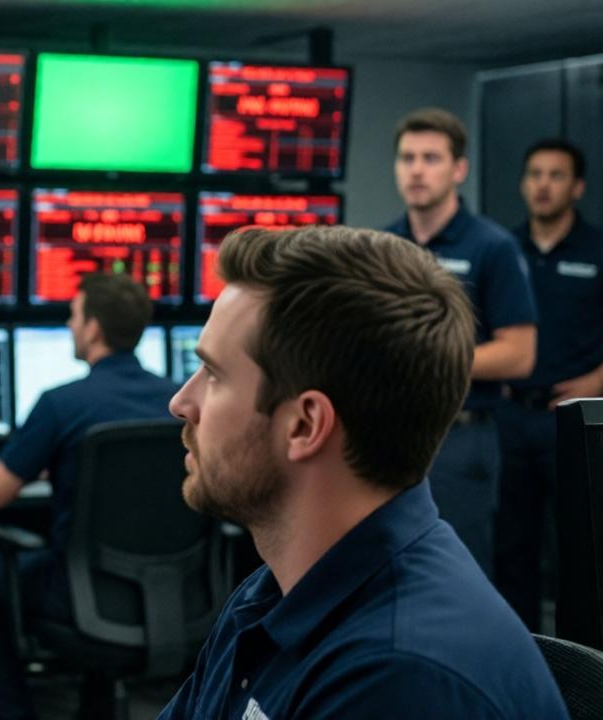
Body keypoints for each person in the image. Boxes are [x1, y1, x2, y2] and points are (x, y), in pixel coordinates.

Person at [159, 225, 567, 720]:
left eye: (215, 375)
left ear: (306, 425)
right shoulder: (274, 590)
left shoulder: (399, 678)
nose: (181, 402)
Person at [0, 273, 180, 720]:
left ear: (93, 328)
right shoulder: (178, 401)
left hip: (77, 593)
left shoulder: (62, 403)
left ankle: (11, 713)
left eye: (75, 317)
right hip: (169, 592)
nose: (71, 327)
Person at [384, 107, 537, 576]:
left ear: (458, 169)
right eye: (408, 158)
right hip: (391, 431)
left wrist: (429, 355)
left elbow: (519, 354)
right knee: (390, 565)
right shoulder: (385, 245)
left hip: (462, 435)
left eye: (431, 158)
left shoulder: (491, 246)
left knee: (456, 571)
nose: (416, 169)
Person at [496, 138, 603, 631]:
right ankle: (521, 657)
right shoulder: (503, 250)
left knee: (577, 548)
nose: (542, 185)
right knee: (510, 547)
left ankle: (578, 663)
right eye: (534, 174)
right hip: (511, 417)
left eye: (555, 175)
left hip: (574, 419)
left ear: (576, 187)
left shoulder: (596, 250)